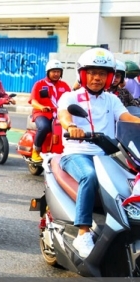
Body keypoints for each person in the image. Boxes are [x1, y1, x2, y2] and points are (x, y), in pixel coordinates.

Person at [58, 48, 140, 258]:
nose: (97, 78)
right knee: (90, 176)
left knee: (131, 181)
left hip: (107, 155)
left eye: (102, 74)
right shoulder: (70, 96)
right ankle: (83, 233)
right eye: (93, 73)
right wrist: (70, 128)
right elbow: (64, 115)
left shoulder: (111, 100)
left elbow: (126, 118)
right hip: (78, 153)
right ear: (83, 74)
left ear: (109, 77)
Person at [28, 59, 71, 163]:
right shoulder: (39, 84)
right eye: (53, 71)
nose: (56, 74)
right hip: (42, 113)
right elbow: (33, 101)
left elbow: (71, 99)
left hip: (60, 114)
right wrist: (41, 106)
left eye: (58, 71)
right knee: (44, 127)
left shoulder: (64, 86)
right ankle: (36, 151)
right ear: (48, 72)